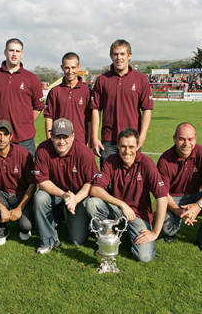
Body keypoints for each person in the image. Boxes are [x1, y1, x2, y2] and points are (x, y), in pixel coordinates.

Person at [87, 128, 169, 262]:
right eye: (123, 146)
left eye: (131, 147)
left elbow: (162, 197)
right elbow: (95, 190)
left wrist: (155, 232)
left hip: (138, 215)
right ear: (118, 146)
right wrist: (122, 204)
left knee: (144, 257)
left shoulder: (147, 163)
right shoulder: (111, 160)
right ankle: (108, 238)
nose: (127, 151)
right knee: (92, 203)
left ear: (138, 146)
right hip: (118, 209)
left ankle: (128, 235)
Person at [157, 123, 202, 253]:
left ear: (195, 139)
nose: (186, 143)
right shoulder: (164, 160)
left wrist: (198, 205)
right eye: (182, 139)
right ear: (174, 139)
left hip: (198, 195)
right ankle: (172, 230)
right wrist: (179, 212)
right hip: (174, 199)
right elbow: (163, 194)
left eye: (190, 139)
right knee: (165, 228)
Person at [33, 118, 98, 254]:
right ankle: (49, 240)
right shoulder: (42, 149)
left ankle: (83, 222)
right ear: (51, 136)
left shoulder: (85, 153)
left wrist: (76, 199)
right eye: (58, 137)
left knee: (77, 240)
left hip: (77, 194)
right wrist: (63, 195)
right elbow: (41, 181)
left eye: (65, 137)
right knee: (40, 198)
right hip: (55, 191)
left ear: (73, 136)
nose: (62, 141)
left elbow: (91, 182)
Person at [90, 39, 154, 167]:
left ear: (129, 56)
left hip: (132, 140)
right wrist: (94, 138)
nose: (119, 57)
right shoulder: (102, 80)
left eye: (122, 54)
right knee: (107, 183)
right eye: (115, 54)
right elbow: (95, 109)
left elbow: (147, 109)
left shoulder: (140, 79)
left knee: (132, 180)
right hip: (108, 141)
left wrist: (142, 137)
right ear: (111, 56)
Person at [0, 38, 44, 158]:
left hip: (25, 139)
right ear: (5, 52)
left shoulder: (32, 78)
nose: (14, 54)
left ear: (22, 54)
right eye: (11, 50)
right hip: (0, 136)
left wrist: (25, 124)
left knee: (27, 175)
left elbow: (38, 106)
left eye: (17, 51)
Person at [0, 120, 35, 246]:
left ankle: (24, 225)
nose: (2, 138)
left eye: (5, 134)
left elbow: (32, 184)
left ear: (11, 136)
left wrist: (19, 208)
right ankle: (2, 231)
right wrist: (2, 208)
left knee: (26, 225)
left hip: (20, 192)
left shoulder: (24, 154)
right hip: (0, 192)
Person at [44, 52, 91, 144]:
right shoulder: (54, 91)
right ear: (62, 68)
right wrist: (50, 141)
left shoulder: (87, 92)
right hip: (60, 142)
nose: (70, 71)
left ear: (78, 67)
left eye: (73, 67)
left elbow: (90, 121)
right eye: (67, 68)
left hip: (81, 142)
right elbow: (49, 118)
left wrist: (88, 143)